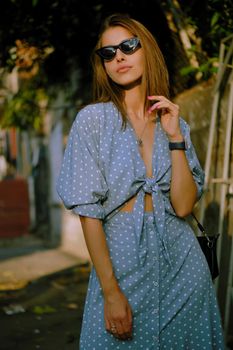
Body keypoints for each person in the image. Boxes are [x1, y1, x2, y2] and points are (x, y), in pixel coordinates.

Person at [57, 13, 225, 349]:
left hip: (182, 264)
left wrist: (175, 137)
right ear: (103, 64)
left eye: (128, 46)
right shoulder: (93, 121)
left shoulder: (174, 121)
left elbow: (183, 205)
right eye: (108, 53)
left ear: (146, 49)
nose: (118, 56)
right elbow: (89, 214)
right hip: (121, 260)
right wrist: (110, 291)